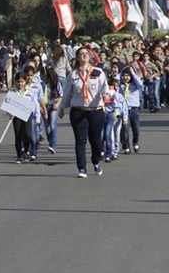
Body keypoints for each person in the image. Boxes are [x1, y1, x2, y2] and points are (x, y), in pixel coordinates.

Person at [61, 47, 110, 178]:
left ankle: (96, 161)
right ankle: (81, 168)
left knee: (95, 139)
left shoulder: (98, 72)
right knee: (80, 140)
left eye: (86, 54)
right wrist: (62, 108)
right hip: (78, 111)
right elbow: (67, 93)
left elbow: (105, 87)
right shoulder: (73, 75)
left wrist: (106, 95)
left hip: (96, 111)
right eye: (81, 54)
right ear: (77, 58)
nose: (84, 55)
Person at [7, 71, 41, 164]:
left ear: (25, 81)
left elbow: (35, 105)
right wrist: (10, 113)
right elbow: (8, 105)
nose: (20, 84)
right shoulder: (12, 92)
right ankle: (19, 156)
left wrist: (37, 117)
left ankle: (26, 151)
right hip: (16, 116)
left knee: (28, 135)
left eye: (22, 81)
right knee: (18, 136)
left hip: (27, 115)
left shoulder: (30, 92)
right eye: (18, 82)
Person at [102, 78, 128, 162]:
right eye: (113, 86)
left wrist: (125, 117)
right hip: (110, 116)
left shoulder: (119, 96)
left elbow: (124, 107)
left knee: (117, 135)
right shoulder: (106, 95)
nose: (116, 87)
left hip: (118, 117)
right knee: (110, 135)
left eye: (117, 86)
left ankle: (116, 151)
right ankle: (111, 151)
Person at [119, 67, 143, 154]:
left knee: (136, 128)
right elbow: (115, 79)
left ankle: (135, 142)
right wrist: (121, 71)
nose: (125, 77)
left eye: (127, 76)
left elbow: (140, 83)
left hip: (134, 109)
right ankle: (126, 146)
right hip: (124, 109)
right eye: (124, 76)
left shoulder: (135, 84)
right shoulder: (120, 85)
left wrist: (133, 73)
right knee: (125, 129)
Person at [44, 67, 64, 155]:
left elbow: (61, 95)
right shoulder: (41, 84)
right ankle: (50, 142)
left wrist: (57, 104)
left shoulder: (56, 84)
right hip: (44, 106)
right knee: (47, 128)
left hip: (53, 106)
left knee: (52, 126)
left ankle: (53, 145)